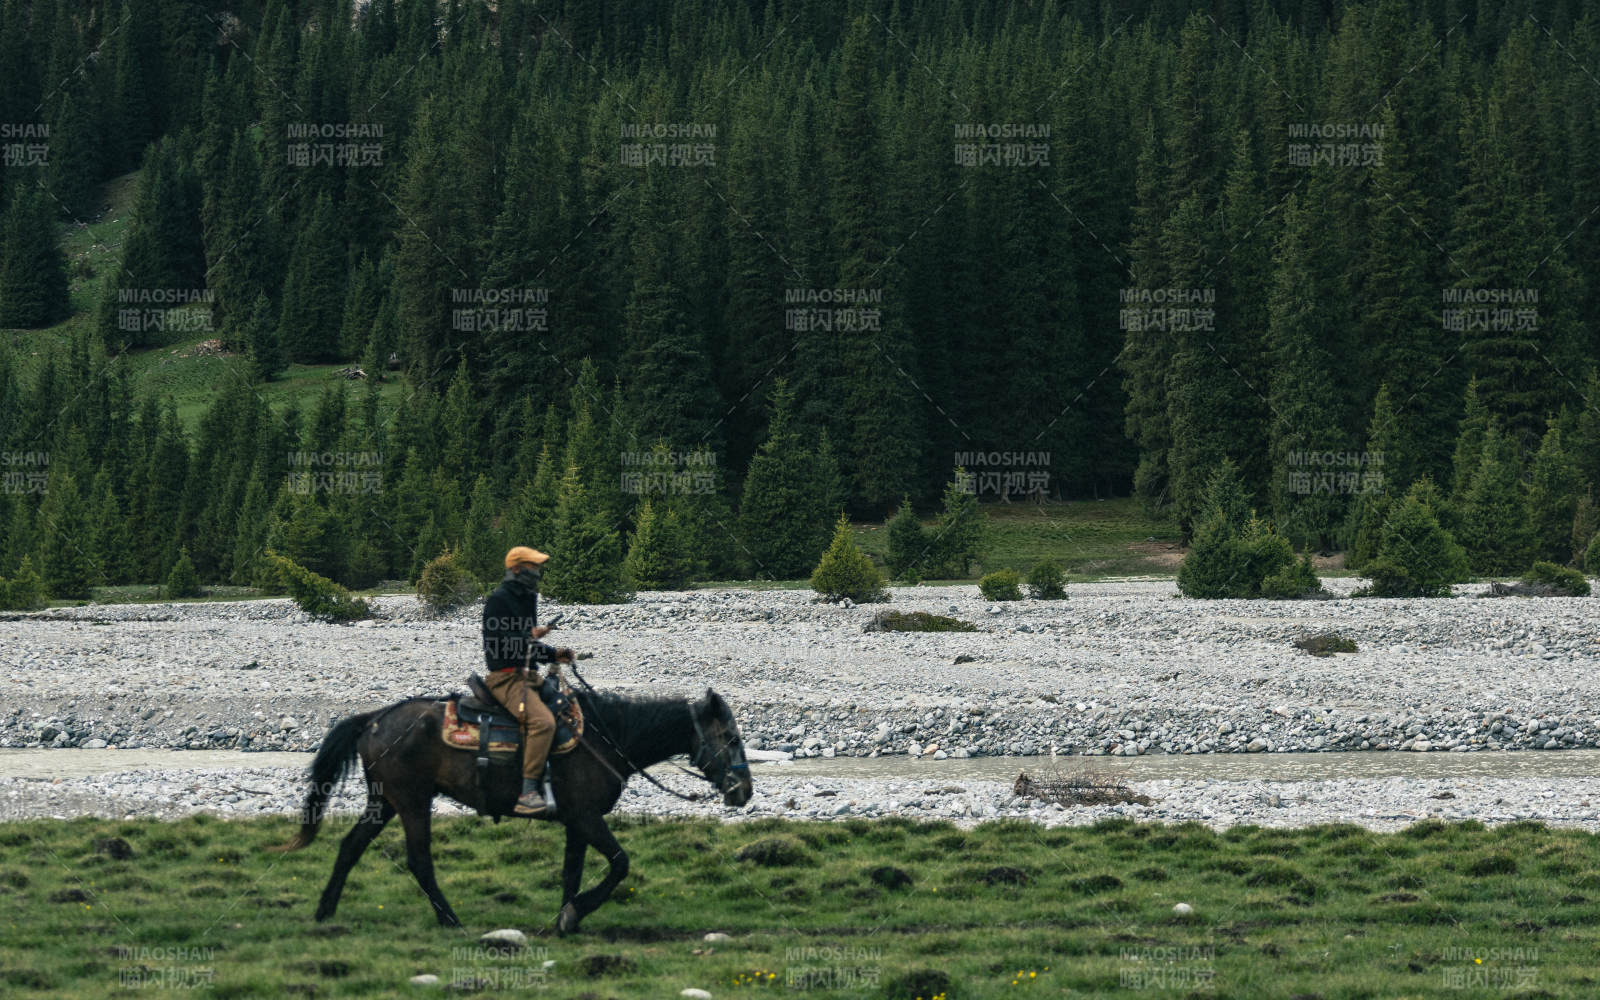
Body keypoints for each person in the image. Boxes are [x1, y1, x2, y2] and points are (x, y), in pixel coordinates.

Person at [482, 546, 573, 817]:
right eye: (534, 567)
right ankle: (528, 792)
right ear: (518, 569)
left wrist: (553, 653)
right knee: (543, 723)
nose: (538, 572)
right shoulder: (498, 599)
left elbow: (528, 646)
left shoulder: (527, 598)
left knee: (569, 708)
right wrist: (529, 635)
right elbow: (496, 644)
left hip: (529, 676)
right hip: (505, 678)